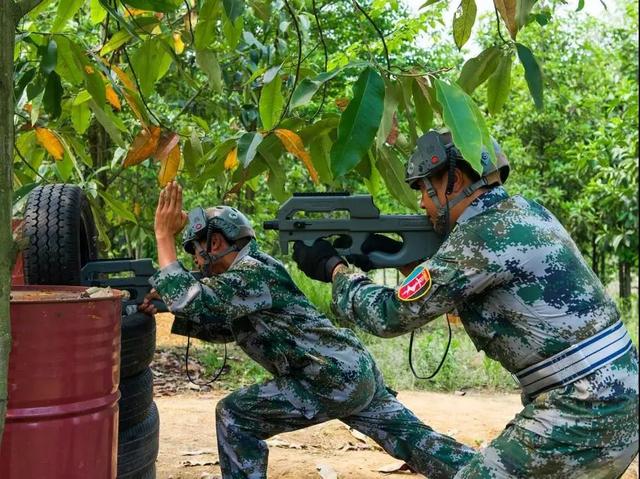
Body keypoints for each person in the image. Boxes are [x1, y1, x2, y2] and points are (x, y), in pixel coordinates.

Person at [292, 130, 639, 478]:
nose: (421, 204)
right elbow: (471, 298)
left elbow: (390, 316)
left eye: (423, 188)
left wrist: (336, 271)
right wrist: (401, 258)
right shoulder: (525, 211)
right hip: (616, 399)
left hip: (581, 410)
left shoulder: (482, 235)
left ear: (453, 180)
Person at [139, 181, 477, 479]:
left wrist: (162, 236)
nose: (195, 261)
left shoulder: (252, 272)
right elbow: (228, 325)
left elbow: (195, 301)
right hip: (349, 371)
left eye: (195, 250)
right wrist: (169, 304)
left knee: (235, 416)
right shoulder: (250, 277)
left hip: (328, 378)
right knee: (416, 442)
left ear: (214, 242)